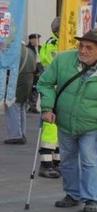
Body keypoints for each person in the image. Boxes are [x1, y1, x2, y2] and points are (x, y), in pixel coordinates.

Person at [40, 29, 97, 212]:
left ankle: (91, 198)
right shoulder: (63, 60)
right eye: (81, 45)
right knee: (67, 160)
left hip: (91, 124)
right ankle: (72, 195)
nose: (83, 50)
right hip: (65, 121)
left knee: (88, 160)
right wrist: (47, 107)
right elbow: (45, 83)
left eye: (89, 47)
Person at [39, 18, 62, 178]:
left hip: (62, 91)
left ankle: (56, 162)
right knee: (50, 129)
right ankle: (46, 164)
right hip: (53, 90)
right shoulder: (53, 44)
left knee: (60, 129)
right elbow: (51, 63)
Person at [5, 38, 37, 144]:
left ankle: (15, 135)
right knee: (22, 110)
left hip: (16, 85)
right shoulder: (31, 52)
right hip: (27, 85)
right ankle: (22, 133)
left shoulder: (14, 52)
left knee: (13, 110)